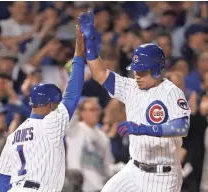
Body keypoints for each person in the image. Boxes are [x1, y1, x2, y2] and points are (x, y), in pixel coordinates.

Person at [78, 11, 191, 192]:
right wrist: (90, 41)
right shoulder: (131, 87)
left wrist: (143, 129)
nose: (137, 75)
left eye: (142, 71)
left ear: (156, 70)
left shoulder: (171, 92)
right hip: (134, 169)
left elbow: (181, 127)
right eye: (136, 70)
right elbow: (100, 74)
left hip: (163, 176)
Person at [0, 25, 85, 192]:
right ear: (51, 105)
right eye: (57, 104)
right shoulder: (51, 123)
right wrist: (79, 56)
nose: (58, 108)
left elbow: (2, 175)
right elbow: (73, 94)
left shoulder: (14, 135)